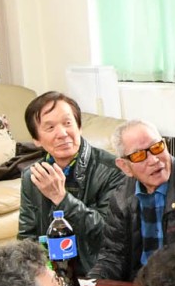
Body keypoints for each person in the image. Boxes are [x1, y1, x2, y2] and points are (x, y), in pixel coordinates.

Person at [88, 119, 175, 282]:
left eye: (157, 147)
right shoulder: (121, 196)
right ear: (124, 166)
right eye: (139, 155)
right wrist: (91, 284)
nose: (154, 160)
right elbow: (112, 256)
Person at [17, 90, 124, 273]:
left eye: (67, 123)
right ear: (36, 139)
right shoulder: (32, 176)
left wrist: (61, 198)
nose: (62, 133)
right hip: (52, 274)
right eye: (50, 127)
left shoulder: (112, 169)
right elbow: (27, 239)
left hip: (100, 272)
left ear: (79, 127)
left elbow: (109, 234)